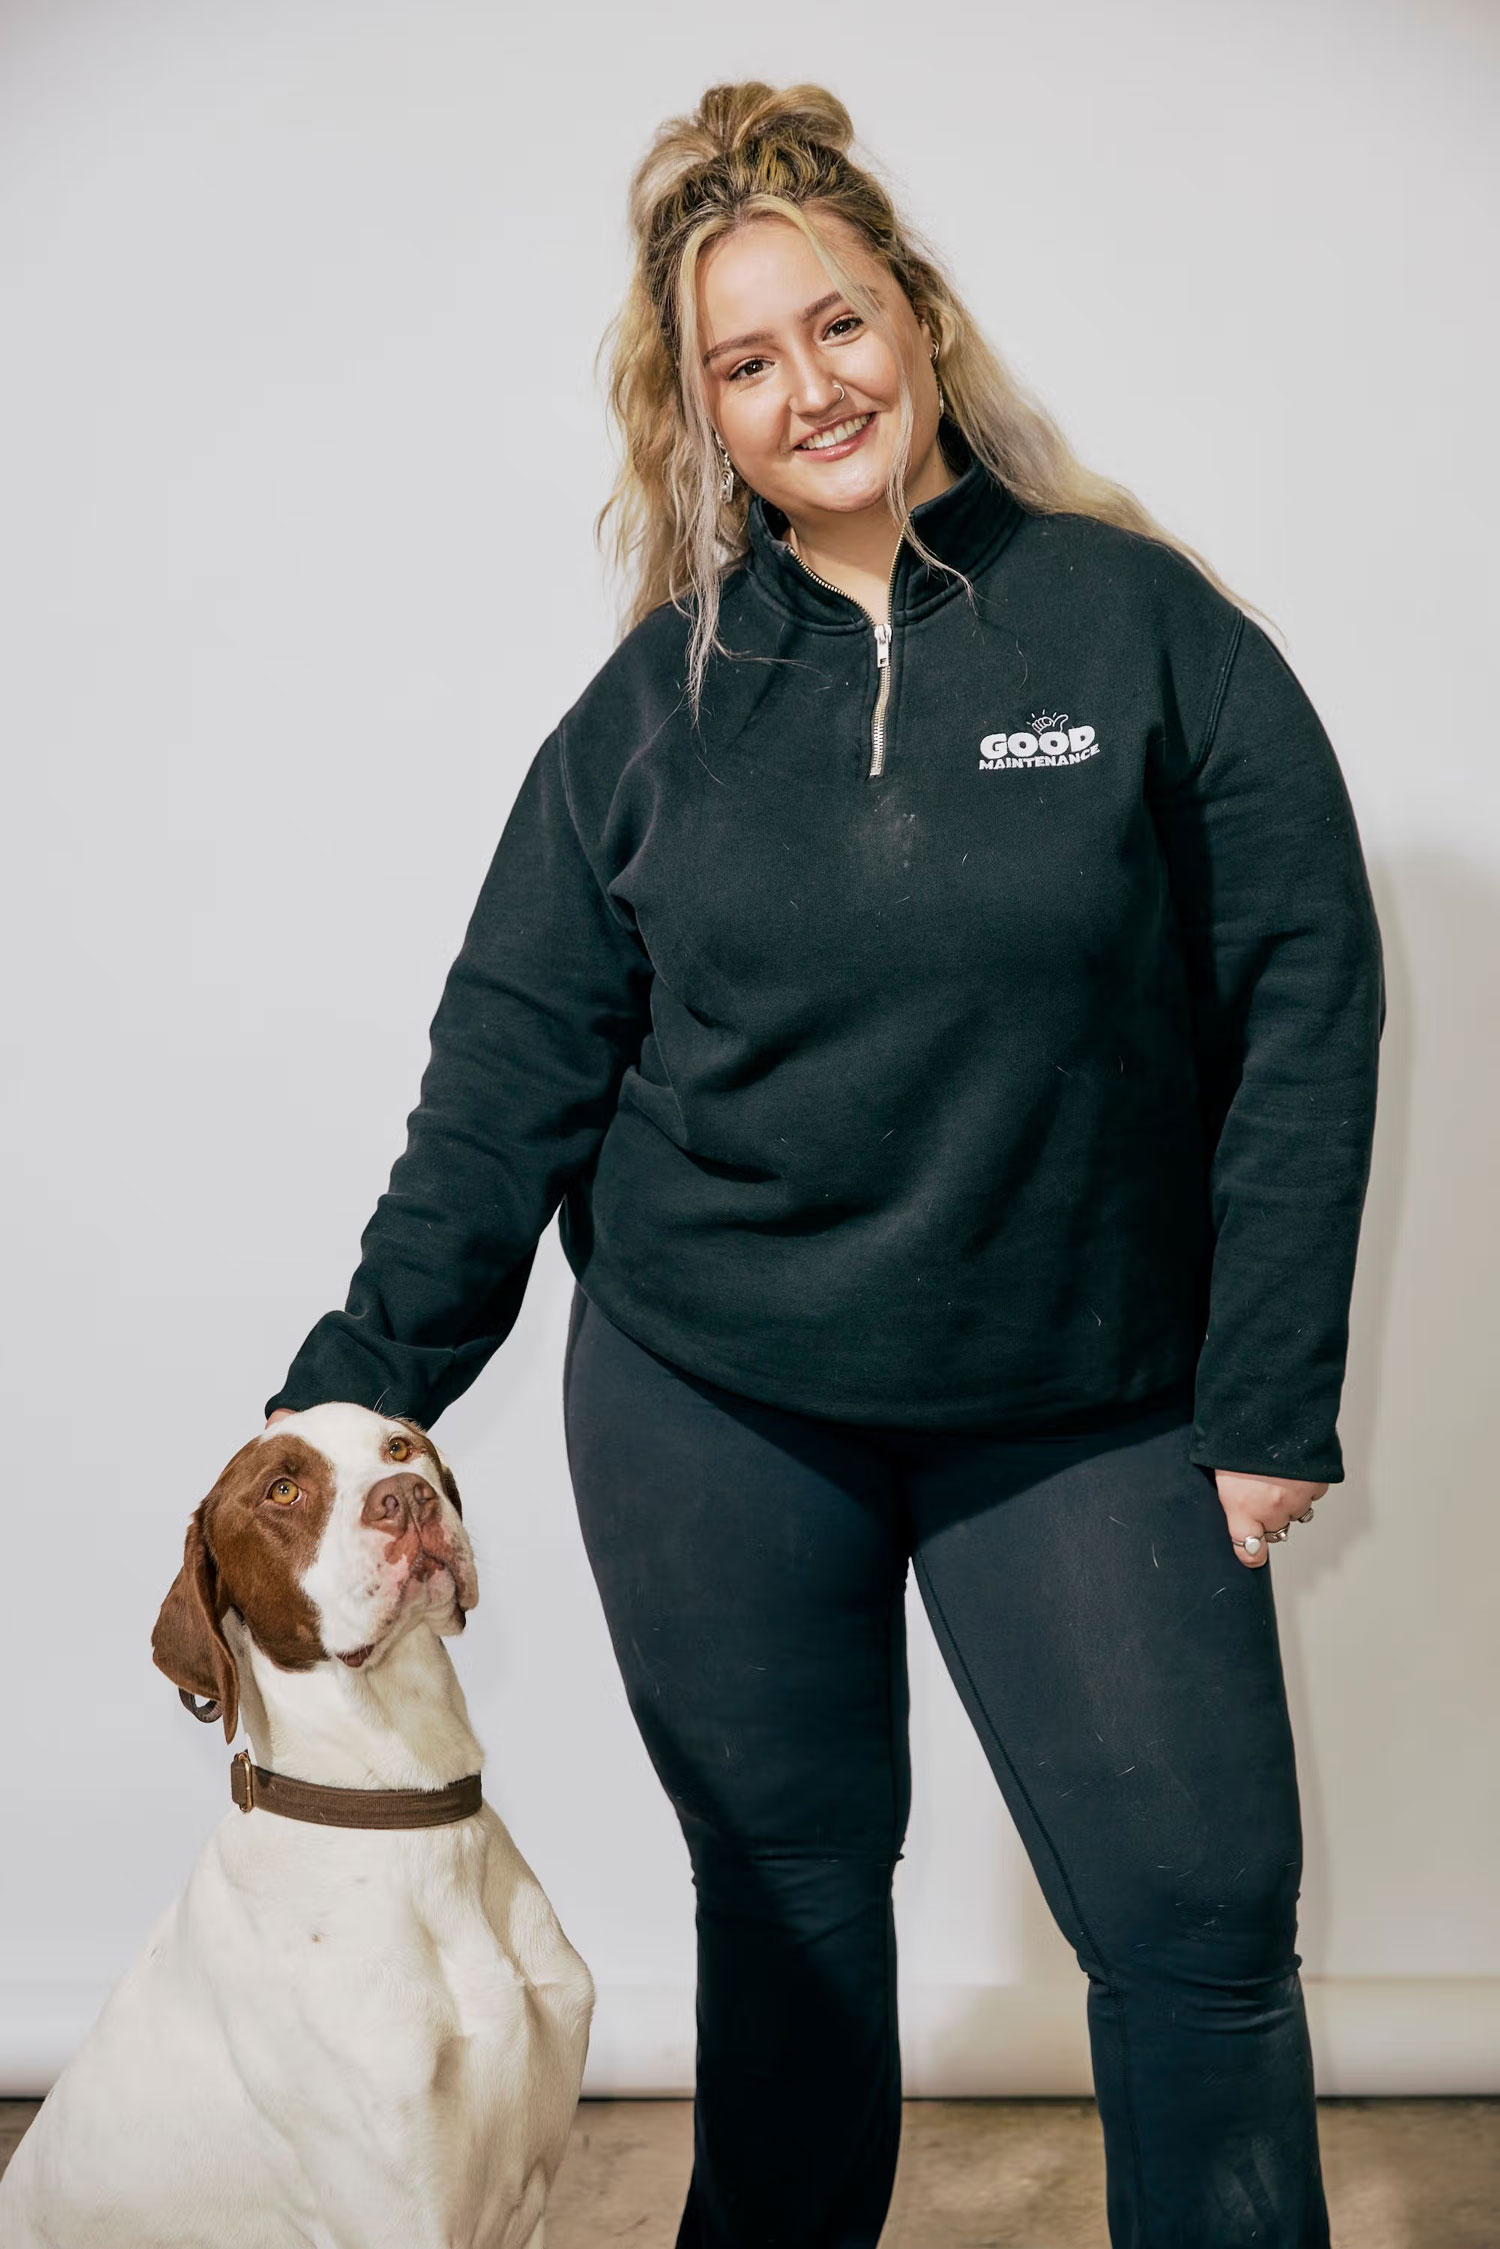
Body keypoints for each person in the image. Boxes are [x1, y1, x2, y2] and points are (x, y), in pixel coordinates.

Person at [265, 79, 1384, 2249]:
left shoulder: (1141, 635)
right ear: (701, 418)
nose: (811, 389)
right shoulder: (655, 708)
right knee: (783, 1918)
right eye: (744, 364)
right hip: (718, 1397)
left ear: (922, 321)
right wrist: (353, 1376)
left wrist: (1263, 1393)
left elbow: (1305, 1014)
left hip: (1083, 1395)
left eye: (838, 326)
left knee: (1197, 1926)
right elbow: (510, 1071)